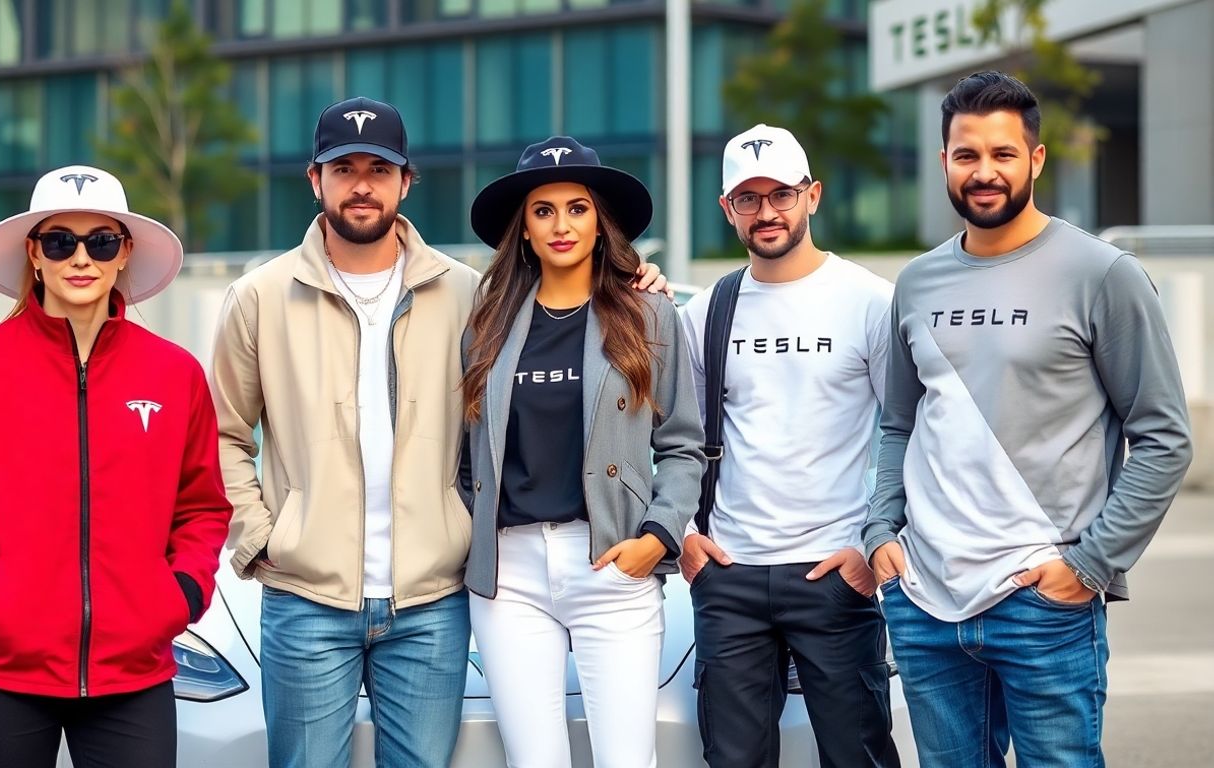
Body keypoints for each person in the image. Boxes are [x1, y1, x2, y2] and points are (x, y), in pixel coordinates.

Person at [211, 101, 668, 768]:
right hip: (306, 598)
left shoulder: (469, 294)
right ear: (315, 180)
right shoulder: (260, 297)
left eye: (379, 168)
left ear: (407, 182)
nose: (361, 184)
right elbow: (221, 436)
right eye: (343, 168)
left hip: (432, 601)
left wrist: (633, 282)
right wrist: (260, 537)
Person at [863, 71, 1193, 768]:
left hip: (1043, 602)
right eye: (966, 155)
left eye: (1003, 154)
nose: (984, 172)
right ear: (945, 161)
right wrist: (880, 532)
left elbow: (1165, 438)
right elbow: (898, 422)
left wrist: (1089, 566)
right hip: (925, 600)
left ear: (1036, 159)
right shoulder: (918, 282)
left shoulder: (1103, 273)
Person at [0, 165, 232, 768]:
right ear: (34, 256)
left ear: (124, 255)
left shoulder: (174, 375)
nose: (81, 258)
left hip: (134, 677)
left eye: (101, 241)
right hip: (2, 675)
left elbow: (202, 507)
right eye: (60, 240)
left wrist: (178, 595)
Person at [460, 135, 705, 768]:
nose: (561, 224)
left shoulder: (649, 315)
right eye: (543, 210)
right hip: (508, 575)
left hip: (610, 558)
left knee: (628, 760)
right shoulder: (485, 323)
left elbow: (682, 445)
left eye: (577, 208)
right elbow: (467, 456)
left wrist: (658, 535)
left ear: (600, 223)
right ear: (523, 230)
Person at [676, 124, 899, 768]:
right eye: (748, 198)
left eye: (782, 194)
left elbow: (907, 432)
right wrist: (688, 533)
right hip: (730, 576)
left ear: (813, 195)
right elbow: (677, 436)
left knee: (857, 756)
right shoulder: (707, 311)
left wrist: (871, 545)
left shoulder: (869, 302)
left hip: (833, 573)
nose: (766, 211)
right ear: (728, 209)